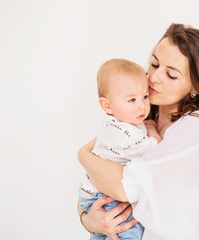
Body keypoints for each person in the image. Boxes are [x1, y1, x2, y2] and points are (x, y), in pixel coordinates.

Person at [78, 23, 199, 240]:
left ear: (196, 87)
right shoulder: (140, 114)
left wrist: (82, 155)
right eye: (154, 64)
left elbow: (125, 187)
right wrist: (88, 220)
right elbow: (93, 180)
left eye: (171, 75)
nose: (154, 78)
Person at [79, 59, 162, 240]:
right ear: (107, 105)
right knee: (130, 231)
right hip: (103, 195)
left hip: (93, 190)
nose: (141, 105)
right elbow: (155, 148)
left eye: (145, 97)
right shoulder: (125, 135)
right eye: (132, 99)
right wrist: (152, 129)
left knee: (103, 234)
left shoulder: (120, 123)